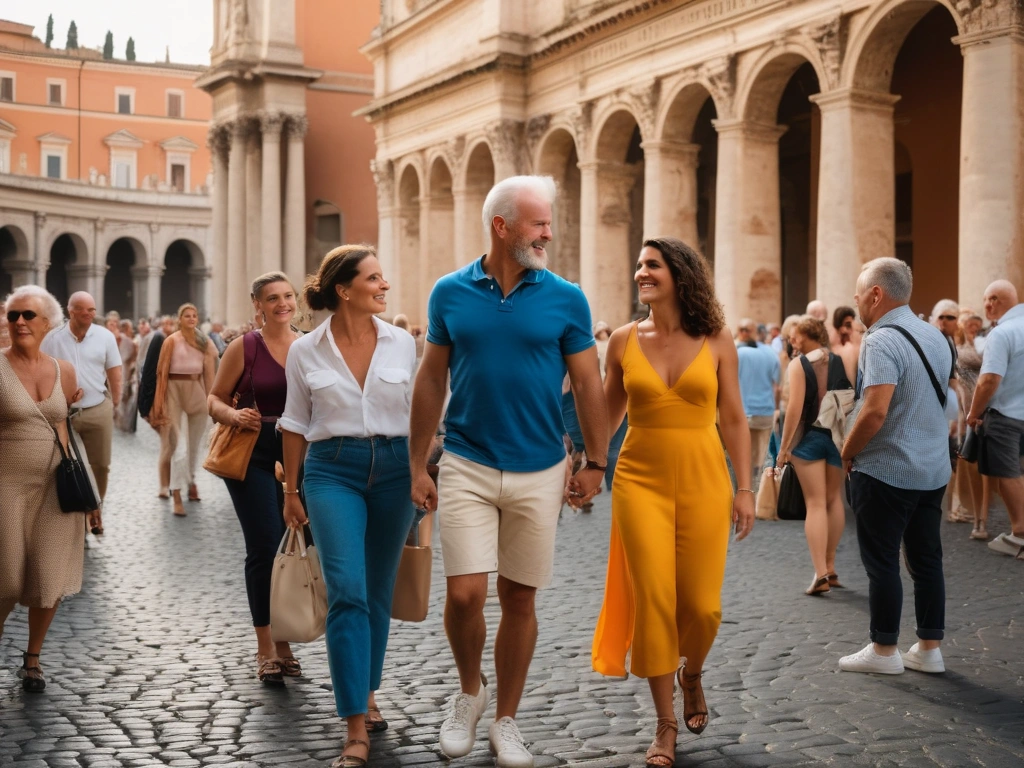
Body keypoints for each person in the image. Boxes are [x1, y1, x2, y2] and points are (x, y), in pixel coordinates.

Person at [409, 175, 608, 767]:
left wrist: (597, 460)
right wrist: (418, 461)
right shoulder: (449, 293)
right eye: (539, 223)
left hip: (542, 466)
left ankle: (507, 719)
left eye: (548, 222)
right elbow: (430, 380)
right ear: (502, 227)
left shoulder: (567, 298)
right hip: (466, 461)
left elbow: (590, 383)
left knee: (519, 597)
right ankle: (469, 693)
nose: (549, 232)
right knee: (466, 593)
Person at [591, 237, 753, 766]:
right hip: (639, 480)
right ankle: (664, 725)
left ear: (680, 275)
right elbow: (609, 416)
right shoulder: (621, 340)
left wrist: (746, 488)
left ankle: (694, 673)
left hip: (707, 477)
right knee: (655, 600)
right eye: (638, 264)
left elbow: (733, 418)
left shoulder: (717, 338)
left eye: (652, 265)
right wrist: (588, 466)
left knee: (703, 607)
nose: (641, 272)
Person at [279, 245, 417, 768]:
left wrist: (423, 473)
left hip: (395, 471)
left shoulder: (403, 343)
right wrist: (291, 492)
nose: (384, 286)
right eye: (374, 278)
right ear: (344, 289)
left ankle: (368, 689)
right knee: (348, 592)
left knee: (378, 591)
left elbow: (419, 412)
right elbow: (293, 423)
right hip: (331, 469)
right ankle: (354, 727)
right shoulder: (305, 350)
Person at [839, 257, 954, 675]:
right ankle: (929, 648)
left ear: (876, 294)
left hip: (886, 468)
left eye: (858, 293)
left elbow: (874, 411)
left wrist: (847, 453)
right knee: (927, 560)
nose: (855, 301)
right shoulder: (937, 336)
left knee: (882, 561)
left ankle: (884, 650)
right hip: (932, 468)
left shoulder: (880, 340)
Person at [1, 285, 100, 692]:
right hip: (6, 484)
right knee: (6, 577)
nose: (20, 322)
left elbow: (65, 431)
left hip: (56, 486)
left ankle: (33, 657)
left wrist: (91, 494)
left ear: (47, 323)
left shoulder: (65, 371)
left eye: (28, 315)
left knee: (49, 574)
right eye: (13, 316)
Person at [209, 273, 304, 686]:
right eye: (272, 298)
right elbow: (213, 398)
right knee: (265, 546)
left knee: (296, 548)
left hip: (301, 454)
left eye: (287, 296)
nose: (282, 304)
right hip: (253, 452)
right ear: (258, 305)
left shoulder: (310, 345)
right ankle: (267, 645)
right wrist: (232, 414)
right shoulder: (243, 347)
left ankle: (285, 640)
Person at [777, 316, 849, 595]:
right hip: (837, 437)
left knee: (816, 504)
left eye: (795, 336)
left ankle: (820, 574)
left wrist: (783, 450)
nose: (792, 341)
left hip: (808, 438)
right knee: (834, 501)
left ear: (807, 335)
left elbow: (794, 408)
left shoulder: (799, 364)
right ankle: (830, 568)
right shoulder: (841, 360)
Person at [40, 291, 122, 502]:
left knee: (101, 464)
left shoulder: (105, 336)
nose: (88, 313)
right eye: (82, 309)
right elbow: (41, 370)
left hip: (97, 407)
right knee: (69, 463)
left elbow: (114, 370)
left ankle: (97, 505)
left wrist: (116, 401)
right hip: (63, 413)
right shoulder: (52, 339)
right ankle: (78, 514)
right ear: (71, 311)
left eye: (92, 309)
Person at [966, 280, 1024, 558]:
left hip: (1005, 416)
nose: (988, 304)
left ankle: (1021, 532)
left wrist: (974, 412)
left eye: (994, 298)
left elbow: (988, 380)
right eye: (986, 298)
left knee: (1007, 475)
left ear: (1007, 301)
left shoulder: (1001, 334)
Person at [150, 304, 218, 516]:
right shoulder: (171, 340)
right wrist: (157, 402)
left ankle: (191, 481)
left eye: (194, 315)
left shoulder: (203, 342)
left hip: (196, 390)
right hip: (173, 391)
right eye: (186, 316)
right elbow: (160, 373)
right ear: (180, 319)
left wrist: (213, 401)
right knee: (179, 446)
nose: (191, 318)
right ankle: (176, 494)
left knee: (195, 446)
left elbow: (209, 374)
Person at [951, 310, 987, 538]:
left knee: (981, 469)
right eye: (970, 325)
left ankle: (979, 517)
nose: (974, 329)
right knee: (969, 465)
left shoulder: (984, 344)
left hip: (984, 410)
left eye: (977, 325)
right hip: (968, 413)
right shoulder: (962, 349)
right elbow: (974, 363)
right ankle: (971, 515)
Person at [736, 317, 780, 486]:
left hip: (742, 414)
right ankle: (754, 493)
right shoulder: (769, 352)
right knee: (760, 460)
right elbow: (777, 386)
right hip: (765, 413)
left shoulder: (735, 351)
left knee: (739, 460)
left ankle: (744, 491)